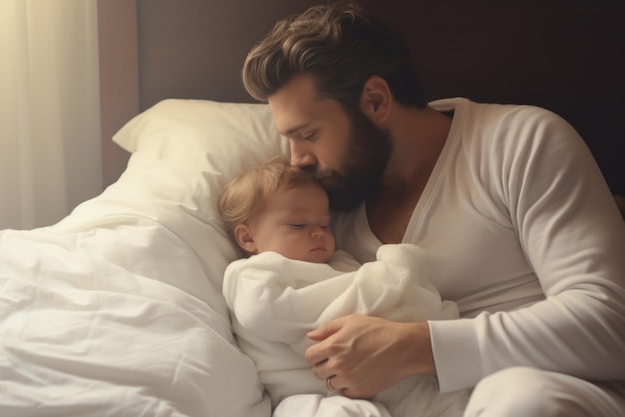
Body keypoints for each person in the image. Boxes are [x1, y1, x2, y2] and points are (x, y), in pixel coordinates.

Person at [240, 2, 625, 416]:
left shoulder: (519, 142)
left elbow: (611, 325)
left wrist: (416, 347)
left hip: (553, 390)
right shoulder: (324, 209)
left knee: (521, 400)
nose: (298, 159)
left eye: (309, 134)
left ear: (374, 100)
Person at [219, 159, 469, 417]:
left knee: (444, 399)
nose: (318, 233)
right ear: (248, 238)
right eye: (298, 224)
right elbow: (265, 311)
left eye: (324, 224)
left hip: (381, 373)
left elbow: (381, 304)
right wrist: (384, 279)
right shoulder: (252, 273)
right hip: (310, 393)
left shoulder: (340, 261)